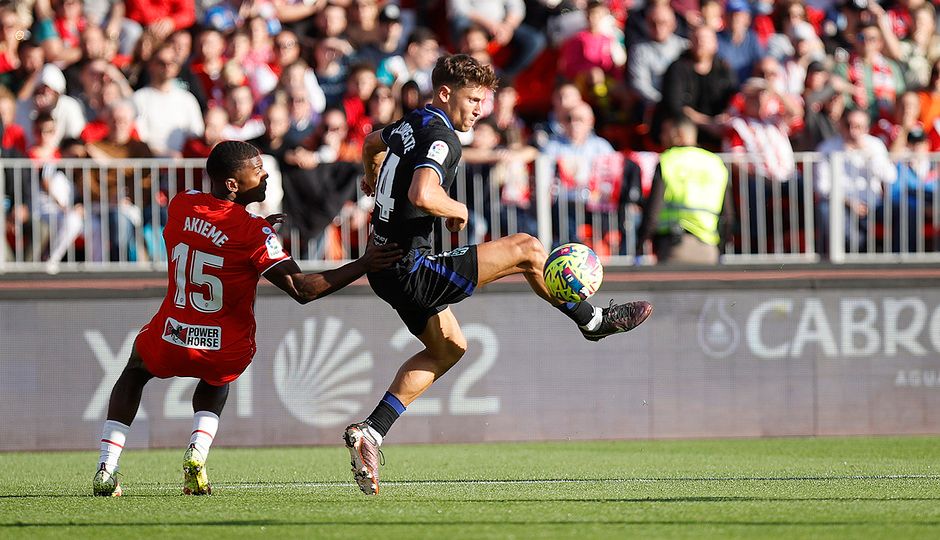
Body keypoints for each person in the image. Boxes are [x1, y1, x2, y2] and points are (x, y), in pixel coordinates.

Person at [343, 54, 653, 496]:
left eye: (483, 101)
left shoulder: (413, 122)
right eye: (472, 99)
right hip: (409, 267)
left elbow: (373, 141)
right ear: (445, 93)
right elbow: (422, 192)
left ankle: (370, 432)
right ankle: (593, 322)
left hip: (385, 266)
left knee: (449, 348)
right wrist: (458, 209)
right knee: (527, 249)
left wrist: (370, 173)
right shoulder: (442, 136)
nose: (478, 110)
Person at [91, 140, 402, 497]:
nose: (265, 174)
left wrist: (254, 228)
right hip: (223, 345)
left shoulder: (182, 203)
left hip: (172, 334)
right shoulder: (254, 232)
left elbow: (215, 232)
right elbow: (303, 289)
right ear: (232, 184)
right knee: (216, 376)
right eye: (256, 170)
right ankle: (197, 451)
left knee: (134, 372)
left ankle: (107, 466)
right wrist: (364, 263)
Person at [638, 116, 731, 265]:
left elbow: (652, 211)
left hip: (674, 249)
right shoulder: (716, 163)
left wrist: (640, 244)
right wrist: (720, 249)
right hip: (709, 250)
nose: (661, 137)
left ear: (679, 134)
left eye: (665, 132)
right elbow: (728, 215)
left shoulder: (668, 161)